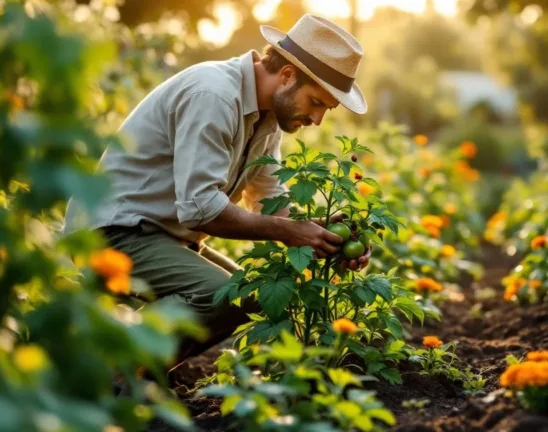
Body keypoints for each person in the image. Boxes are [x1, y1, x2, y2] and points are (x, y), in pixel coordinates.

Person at [62, 14, 370, 372]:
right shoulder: (214, 95)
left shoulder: (268, 118)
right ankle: (101, 373)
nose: (317, 120)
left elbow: (270, 200)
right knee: (221, 295)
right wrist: (291, 233)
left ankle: (141, 374)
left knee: (253, 297)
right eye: (316, 103)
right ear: (287, 75)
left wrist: (322, 233)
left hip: (160, 236)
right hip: (113, 231)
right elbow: (202, 210)